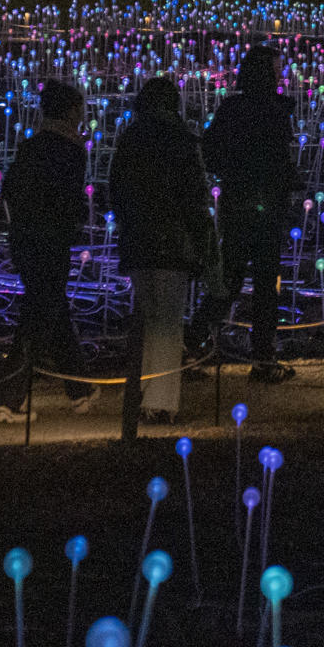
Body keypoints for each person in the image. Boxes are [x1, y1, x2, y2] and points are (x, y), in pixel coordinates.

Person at [188, 46, 302, 384]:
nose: (282, 74)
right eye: (277, 68)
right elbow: (275, 157)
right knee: (263, 284)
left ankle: (193, 341)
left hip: (240, 203)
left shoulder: (234, 108)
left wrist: (232, 174)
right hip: (261, 205)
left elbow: (210, 151)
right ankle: (262, 358)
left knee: (233, 278)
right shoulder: (273, 111)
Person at [0, 79, 95, 422]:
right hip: (52, 241)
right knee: (39, 314)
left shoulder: (32, 146)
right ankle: (8, 399)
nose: (82, 114)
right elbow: (68, 200)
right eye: (78, 107)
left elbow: (11, 190)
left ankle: (80, 391)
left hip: (26, 239)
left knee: (51, 307)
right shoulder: (71, 149)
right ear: (69, 110)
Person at [109, 76, 211, 423]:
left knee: (147, 317)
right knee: (168, 322)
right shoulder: (182, 141)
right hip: (173, 243)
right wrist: (203, 245)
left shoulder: (131, 139)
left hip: (138, 240)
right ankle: (161, 402)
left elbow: (117, 190)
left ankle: (140, 395)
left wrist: (127, 227)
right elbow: (195, 198)